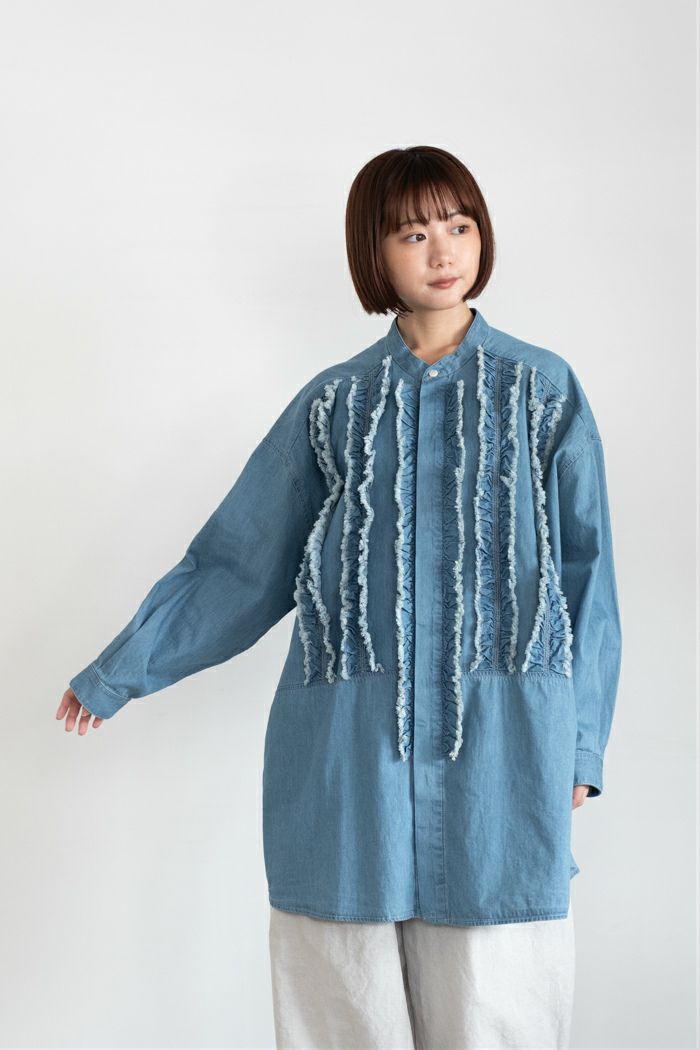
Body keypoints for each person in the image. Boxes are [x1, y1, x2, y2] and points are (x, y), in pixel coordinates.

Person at [57, 145, 622, 1049]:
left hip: (504, 754)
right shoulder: (335, 405)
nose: (443, 250)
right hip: (347, 763)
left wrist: (581, 744)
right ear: (374, 252)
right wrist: (120, 671)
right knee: (343, 1009)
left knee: (500, 1006)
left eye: (459, 225)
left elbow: (588, 575)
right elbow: (241, 562)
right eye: (413, 233)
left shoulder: (541, 390)